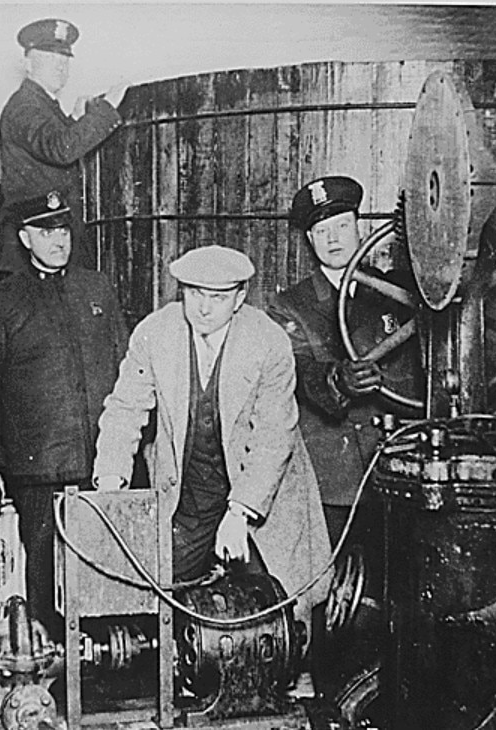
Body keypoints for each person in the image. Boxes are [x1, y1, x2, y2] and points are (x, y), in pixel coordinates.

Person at [92, 245, 332, 628]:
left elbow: (273, 437)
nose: (204, 308)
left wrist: (240, 512)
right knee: (165, 600)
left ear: (239, 298)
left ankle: (295, 679)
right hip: (189, 492)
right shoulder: (155, 334)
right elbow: (125, 409)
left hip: (260, 488)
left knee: (278, 610)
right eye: (194, 293)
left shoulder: (268, 342)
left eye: (217, 297)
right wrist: (110, 480)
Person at [0, 190, 129, 641]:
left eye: (62, 230)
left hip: (100, 464)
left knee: (105, 567)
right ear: (25, 238)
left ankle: (104, 666)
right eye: (45, 231)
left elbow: (127, 365)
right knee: (43, 574)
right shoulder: (2, 300)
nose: (57, 240)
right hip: (38, 468)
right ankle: (52, 668)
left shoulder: (96, 287)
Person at [267, 176, 423, 570]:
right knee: (328, 589)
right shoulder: (289, 306)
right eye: (321, 231)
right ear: (309, 240)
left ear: (360, 228)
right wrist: (337, 380)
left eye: (342, 226)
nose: (333, 239)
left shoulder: (401, 293)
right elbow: (298, 368)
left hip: (395, 470)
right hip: (329, 482)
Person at [0, 17, 127, 273]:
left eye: (64, 60)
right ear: (28, 64)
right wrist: (107, 110)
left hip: (49, 236)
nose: (60, 68)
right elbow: (60, 149)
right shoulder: (24, 106)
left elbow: (45, 145)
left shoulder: (41, 104)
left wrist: (73, 120)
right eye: (50, 59)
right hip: (31, 242)